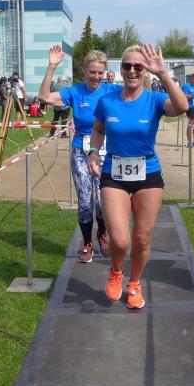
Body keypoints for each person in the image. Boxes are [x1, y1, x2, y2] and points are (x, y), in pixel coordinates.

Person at [88, 44, 188, 309]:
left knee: (142, 239)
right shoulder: (108, 101)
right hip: (114, 173)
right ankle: (116, 270)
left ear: (145, 71)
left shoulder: (154, 99)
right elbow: (98, 130)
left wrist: (163, 73)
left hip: (148, 173)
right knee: (120, 240)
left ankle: (134, 283)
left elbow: (182, 107)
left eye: (138, 66)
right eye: (127, 66)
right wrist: (94, 152)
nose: (132, 71)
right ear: (120, 70)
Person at [39, 46, 118, 263]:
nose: (96, 77)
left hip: (104, 152)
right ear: (84, 71)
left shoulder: (111, 90)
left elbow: (138, 93)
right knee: (84, 201)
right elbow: (44, 97)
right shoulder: (75, 92)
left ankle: (102, 234)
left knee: (102, 202)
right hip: (80, 151)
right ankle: (87, 243)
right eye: (92, 72)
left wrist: (144, 72)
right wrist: (52, 66)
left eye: (100, 72)